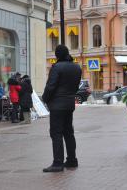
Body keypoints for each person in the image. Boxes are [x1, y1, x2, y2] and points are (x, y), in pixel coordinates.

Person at [42, 44, 82, 172]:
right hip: (69, 103)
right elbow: (76, 87)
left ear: (57, 55)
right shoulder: (76, 67)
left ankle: (57, 163)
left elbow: (51, 86)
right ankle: (72, 160)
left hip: (57, 105)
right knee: (69, 132)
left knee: (56, 133)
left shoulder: (57, 67)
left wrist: (45, 98)